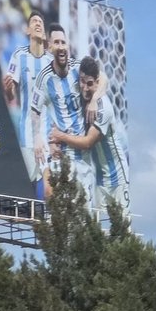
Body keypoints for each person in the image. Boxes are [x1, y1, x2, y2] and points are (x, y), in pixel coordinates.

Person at [31, 23, 104, 207]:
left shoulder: (78, 68)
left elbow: (103, 78)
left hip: (82, 157)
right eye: (57, 42)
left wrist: (94, 98)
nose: (61, 46)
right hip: (60, 155)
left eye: (64, 42)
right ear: (49, 47)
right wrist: (38, 136)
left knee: (85, 219)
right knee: (60, 216)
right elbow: (35, 110)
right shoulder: (44, 78)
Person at [49, 55, 130, 218]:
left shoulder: (103, 107)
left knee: (123, 229)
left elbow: (87, 143)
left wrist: (60, 136)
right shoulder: (81, 96)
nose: (85, 88)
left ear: (97, 82)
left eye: (90, 84)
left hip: (117, 177)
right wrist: (52, 141)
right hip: (99, 179)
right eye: (82, 82)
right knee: (96, 233)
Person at [2, 10, 49, 183]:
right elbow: (11, 93)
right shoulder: (19, 55)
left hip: (49, 133)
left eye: (40, 22)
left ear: (43, 33)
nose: (37, 23)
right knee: (28, 184)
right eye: (34, 21)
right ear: (27, 30)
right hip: (27, 132)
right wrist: (8, 89)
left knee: (49, 185)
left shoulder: (51, 62)